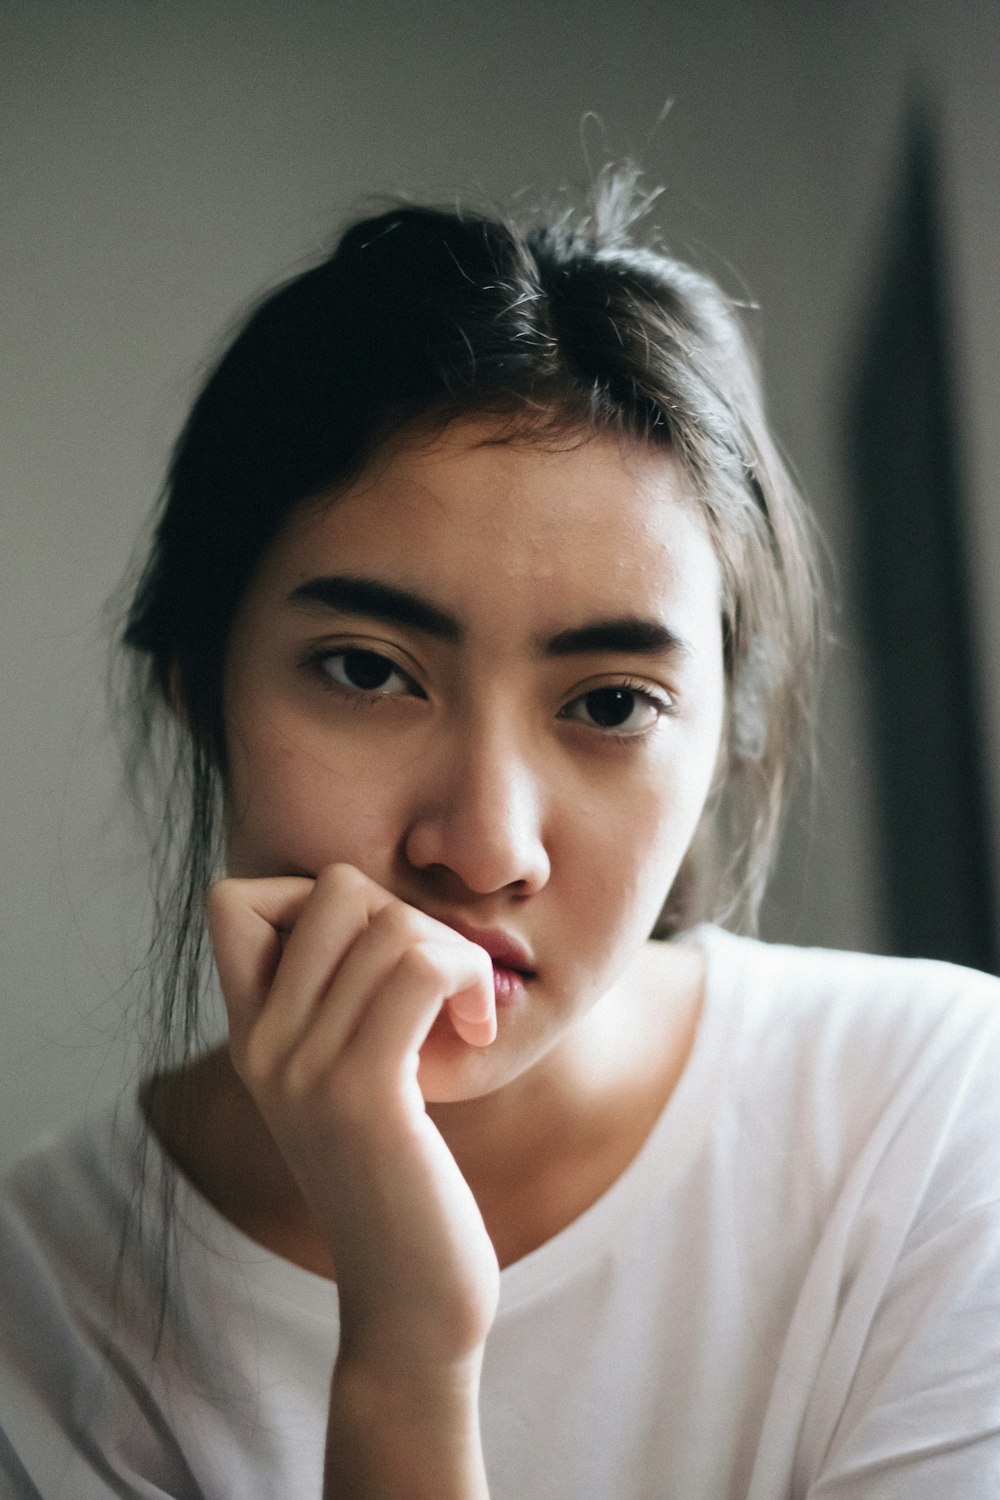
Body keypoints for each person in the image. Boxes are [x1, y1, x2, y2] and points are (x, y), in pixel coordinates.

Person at [2, 176, 999, 1500]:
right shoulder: (41, 1312)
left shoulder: (935, 1121)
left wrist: (412, 1365)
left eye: (608, 704)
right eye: (367, 672)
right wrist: (402, 1345)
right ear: (203, 689)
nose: (482, 848)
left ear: (718, 751)